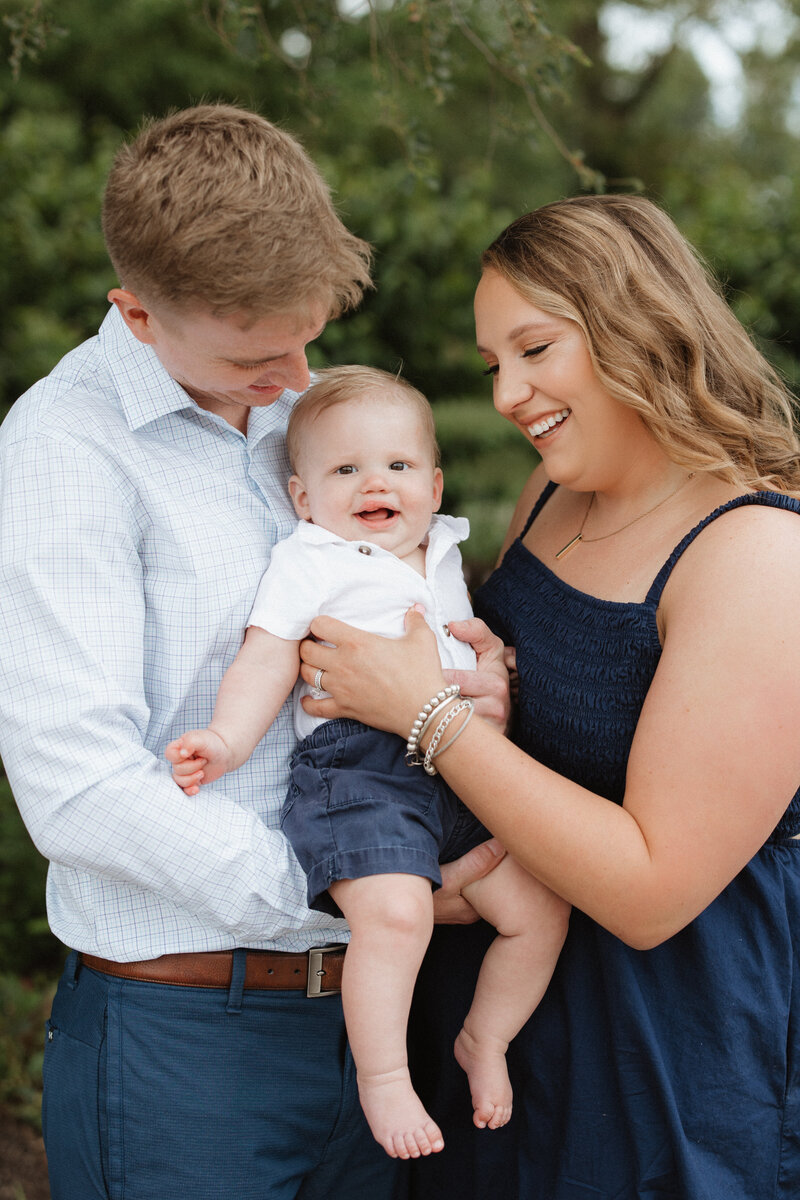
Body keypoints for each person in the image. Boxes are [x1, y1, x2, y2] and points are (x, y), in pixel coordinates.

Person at [0, 104, 506, 1200]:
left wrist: (472, 674)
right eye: (253, 355)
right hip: (188, 1036)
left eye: (305, 337)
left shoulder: (304, 413)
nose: (293, 378)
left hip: (371, 1017)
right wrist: (356, 890)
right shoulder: (63, 452)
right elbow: (77, 787)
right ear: (134, 313)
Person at [294, 194, 800, 1199]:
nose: (510, 395)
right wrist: (492, 682)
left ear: (633, 322)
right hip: (499, 1015)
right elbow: (555, 721)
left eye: (534, 349)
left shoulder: (757, 554)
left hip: (665, 1048)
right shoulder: (550, 496)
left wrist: (425, 716)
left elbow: (652, 892)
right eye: (493, 366)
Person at [165, 364, 569, 1160]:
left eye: (398, 466)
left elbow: (462, 656)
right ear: (303, 498)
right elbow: (266, 658)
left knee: (539, 902)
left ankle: (484, 1038)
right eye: (345, 469)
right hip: (360, 771)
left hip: (459, 760)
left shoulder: (445, 550)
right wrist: (227, 739)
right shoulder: (311, 557)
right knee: (396, 913)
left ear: (434, 481)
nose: (374, 483)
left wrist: (496, 680)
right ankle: (384, 1078)